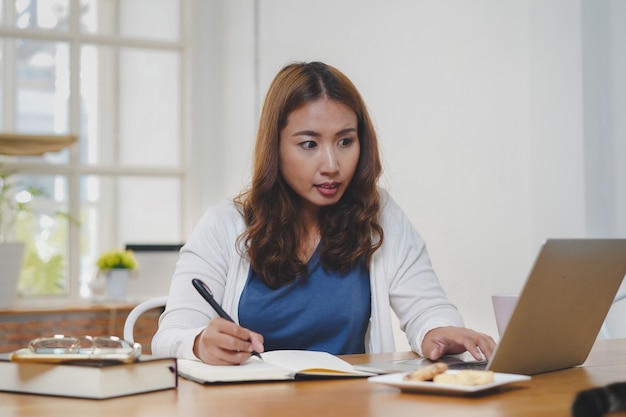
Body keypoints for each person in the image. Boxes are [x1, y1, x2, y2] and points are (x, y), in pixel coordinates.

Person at [152, 61, 495, 366]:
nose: (332, 165)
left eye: (345, 141)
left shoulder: (378, 213)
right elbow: (170, 336)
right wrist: (199, 343)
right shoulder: (224, 225)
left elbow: (426, 307)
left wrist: (438, 330)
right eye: (309, 144)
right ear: (276, 147)